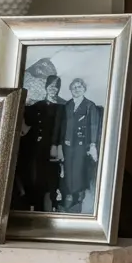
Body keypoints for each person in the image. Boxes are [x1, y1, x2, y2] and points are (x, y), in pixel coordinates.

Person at [55, 77, 101, 214]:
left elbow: (94, 126)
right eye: (74, 87)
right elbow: (63, 126)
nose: (76, 89)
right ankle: (69, 199)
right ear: (70, 89)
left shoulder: (89, 105)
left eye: (79, 87)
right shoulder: (67, 105)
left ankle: (77, 200)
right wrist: (59, 144)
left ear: (84, 89)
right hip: (68, 145)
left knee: (79, 172)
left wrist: (92, 144)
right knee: (67, 172)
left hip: (82, 145)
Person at [19, 75, 63, 211]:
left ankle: (51, 206)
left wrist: (55, 146)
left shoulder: (61, 107)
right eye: (50, 86)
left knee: (50, 178)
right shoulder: (37, 106)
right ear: (46, 87)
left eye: (56, 87)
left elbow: (59, 128)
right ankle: (35, 204)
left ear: (58, 89)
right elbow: (25, 120)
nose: (53, 89)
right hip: (36, 148)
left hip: (51, 148)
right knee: (35, 177)